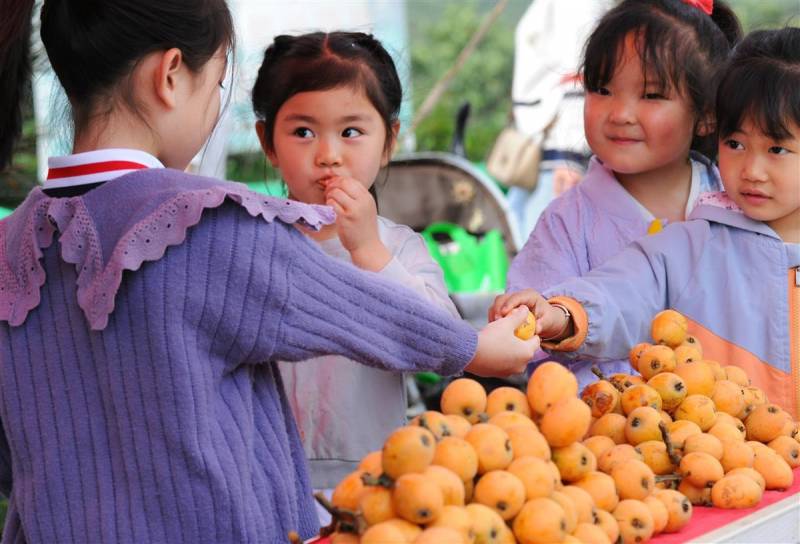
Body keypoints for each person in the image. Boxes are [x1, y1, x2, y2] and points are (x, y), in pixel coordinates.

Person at [0, 2, 540, 542]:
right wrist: (475, 348)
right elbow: (370, 314)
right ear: (169, 76)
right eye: (215, 87)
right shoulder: (212, 224)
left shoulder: (9, 245)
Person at [492, 27, 800, 418]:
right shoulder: (693, 243)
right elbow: (620, 292)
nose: (751, 170)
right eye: (735, 144)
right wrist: (560, 315)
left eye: (777, 149)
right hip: (731, 466)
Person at [249, 31, 461, 507]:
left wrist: (368, 251)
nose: (328, 154)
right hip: (266, 479)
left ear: (389, 140)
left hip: (379, 479)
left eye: (351, 132)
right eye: (303, 131)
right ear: (267, 141)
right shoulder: (250, 242)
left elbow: (445, 341)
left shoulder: (399, 248)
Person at [506, 0, 741, 387]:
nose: (619, 113)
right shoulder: (566, 222)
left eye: (650, 95)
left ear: (707, 114)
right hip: (604, 432)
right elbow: (527, 343)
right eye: (602, 89)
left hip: (725, 434)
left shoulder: (735, 204)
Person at [505, 0, 615, 239]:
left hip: (556, 148)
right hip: (549, 146)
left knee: (544, 248)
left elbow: (577, 75)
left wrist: (569, 157)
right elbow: (574, 74)